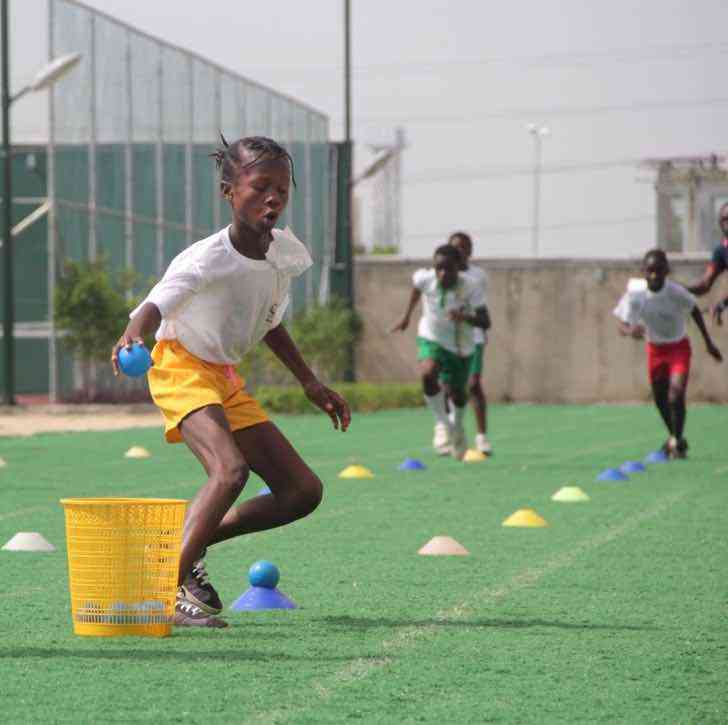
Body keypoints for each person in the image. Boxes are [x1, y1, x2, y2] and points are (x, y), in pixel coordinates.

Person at [111, 135, 351, 628]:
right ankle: (157, 592)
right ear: (228, 191)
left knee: (301, 491)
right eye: (260, 187)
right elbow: (158, 302)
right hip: (180, 365)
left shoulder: (285, 251)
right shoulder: (205, 259)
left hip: (222, 377)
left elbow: (268, 321)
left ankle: (186, 544)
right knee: (230, 471)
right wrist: (134, 330)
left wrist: (311, 383)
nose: (273, 198)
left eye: (282, 188)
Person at [613, 248, 721, 459]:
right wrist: (630, 330)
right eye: (650, 271)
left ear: (666, 271)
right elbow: (622, 325)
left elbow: (694, 310)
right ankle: (676, 438)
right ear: (644, 271)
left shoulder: (675, 292)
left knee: (676, 393)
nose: (654, 275)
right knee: (661, 398)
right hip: (655, 349)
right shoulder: (636, 293)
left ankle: (676, 442)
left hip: (678, 347)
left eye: (659, 271)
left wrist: (708, 342)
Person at [391, 244, 490, 460]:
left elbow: (485, 321)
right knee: (427, 373)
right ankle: (443, 425)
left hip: (460, 346)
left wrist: (464, 317)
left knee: (459, 396)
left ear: (459, 267)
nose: (443, 274)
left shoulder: (471, 287)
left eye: (449, 269)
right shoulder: (425, 278)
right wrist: (406, 316)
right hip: (432, 338)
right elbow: (416, 289)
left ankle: (457, 429)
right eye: (439, 269)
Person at [448, 231, 492, 455]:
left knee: (474, 384)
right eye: (456, 248)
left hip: (473, 337)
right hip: (449, 339)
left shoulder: (478, 276)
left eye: (465, 247)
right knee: (450, 387)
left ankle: (482, 436)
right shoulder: (441, 275)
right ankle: (451, 431)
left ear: (471, 251)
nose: (461, 252)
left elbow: (481, 310)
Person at [688, 201, 728, 324]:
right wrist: (680, 288)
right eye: (725, 219)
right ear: (720, 223)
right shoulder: (721, 251)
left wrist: (722, 303)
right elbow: (705, 285)